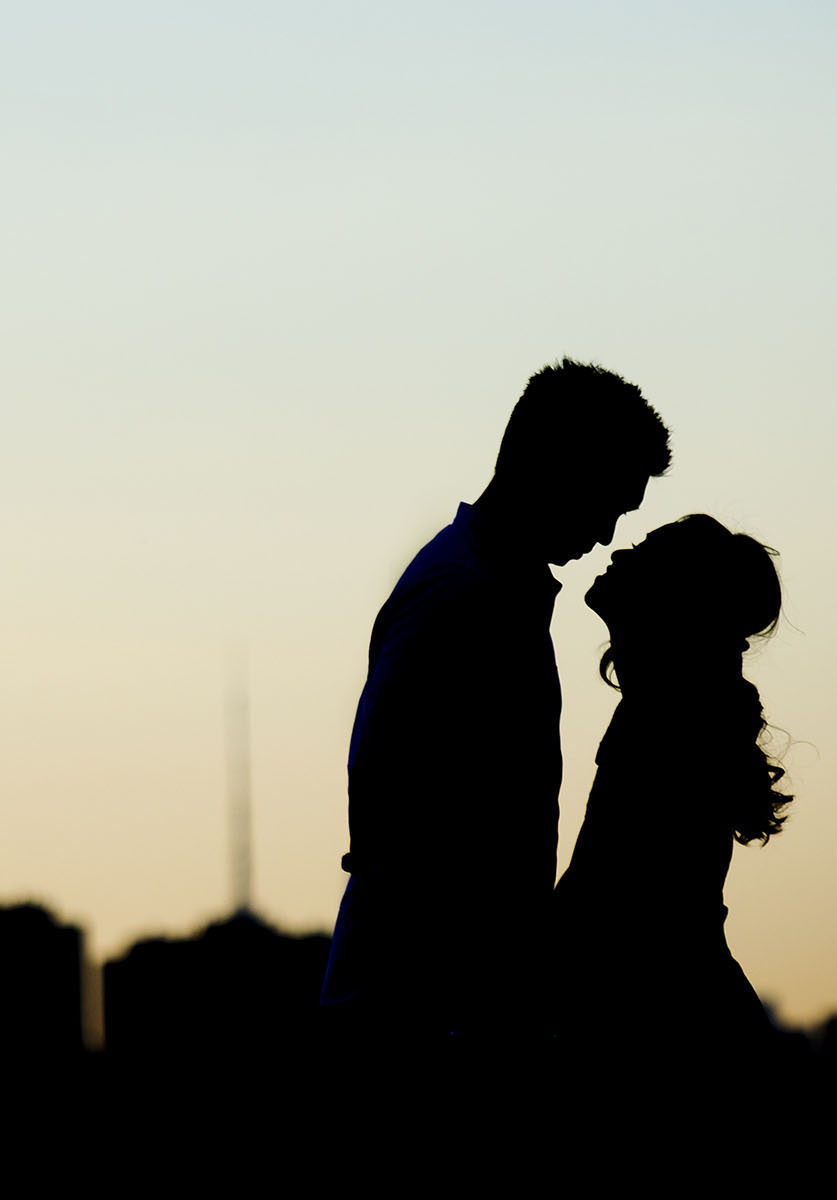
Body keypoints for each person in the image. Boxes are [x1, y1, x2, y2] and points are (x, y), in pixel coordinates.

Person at [320, 359, 671, 1071]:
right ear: (553, 463)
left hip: (450, 1014)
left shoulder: (489, 592)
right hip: (419, 1024)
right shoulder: (459, 595)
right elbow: (388, 811)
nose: (605, 535)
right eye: (606, 501)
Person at [550, 514, 789, 1085]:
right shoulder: (678, 704)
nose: (619, 555)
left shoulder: (668, 716)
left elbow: (610, 893)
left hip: (656, 1034)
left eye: (644, 552)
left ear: (674, 601)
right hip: (676, 1020)